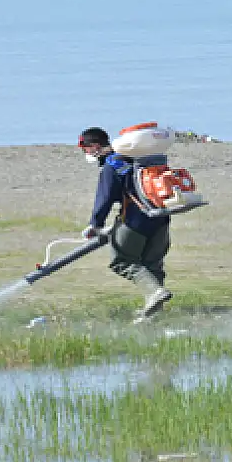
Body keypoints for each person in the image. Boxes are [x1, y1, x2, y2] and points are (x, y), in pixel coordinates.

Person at [77, 126, 173, 321]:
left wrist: (95, 224)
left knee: (121, 260)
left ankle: (155, 294)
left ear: (94, 147)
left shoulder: (111, 166)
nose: (85, 153)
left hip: (135, 221)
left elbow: (104, 198)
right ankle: (155, 313)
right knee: (152, 264)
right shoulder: (138, 159)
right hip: (161, 219)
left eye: (84, 148)